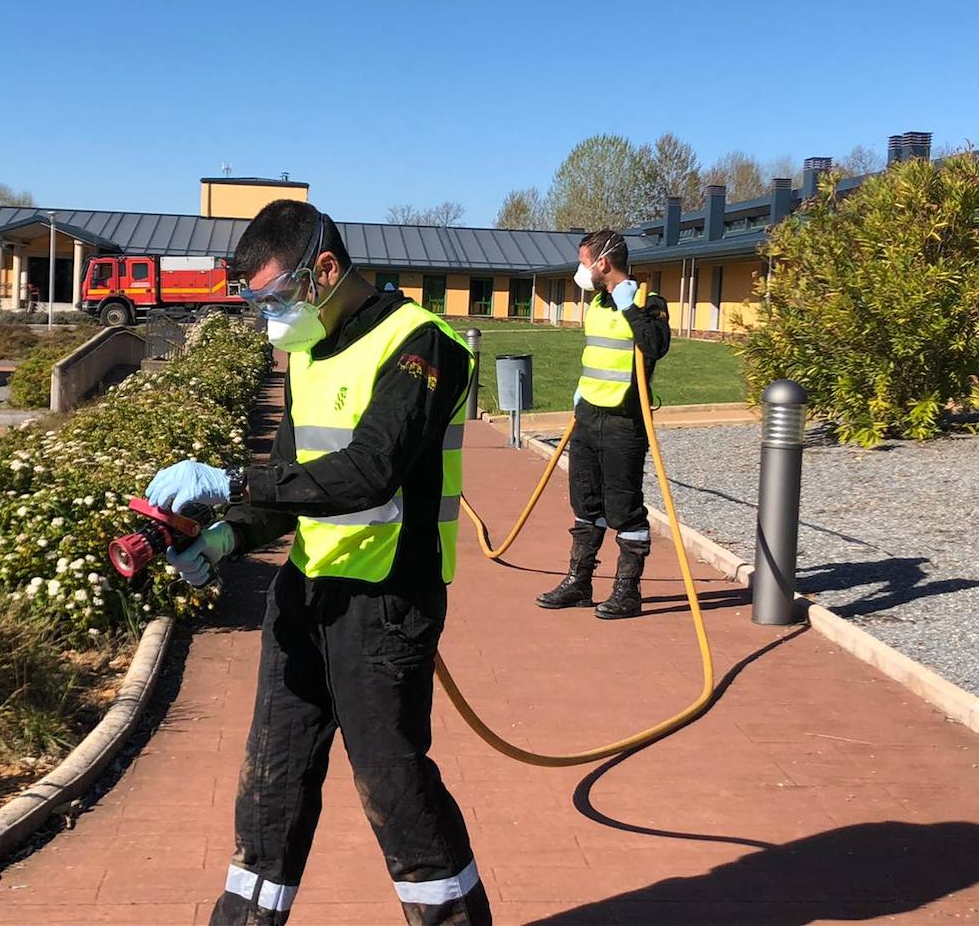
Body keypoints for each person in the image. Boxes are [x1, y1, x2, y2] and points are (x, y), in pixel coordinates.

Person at [143, 200, 492, 925]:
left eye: (275, 298)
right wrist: (222, 539)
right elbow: (291, 483)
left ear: (324, 270)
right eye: (257, 303)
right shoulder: (307, 353)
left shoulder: (422, 345)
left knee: (395, 791)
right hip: (305, 596)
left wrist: (234, 481)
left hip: (387, 605)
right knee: (272, 785)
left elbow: (370, 470)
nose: (271, 318)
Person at [536, 229, 671, 620]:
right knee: (585, 502)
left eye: (583, 262)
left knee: (624, 508)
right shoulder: (596, 303)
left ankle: (627, 592)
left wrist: (631, 308)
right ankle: (579, 582)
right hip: (588, 416)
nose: (580, 270)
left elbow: (655, 347)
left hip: (624, 422)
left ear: (603, 263)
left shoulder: (648, 302)